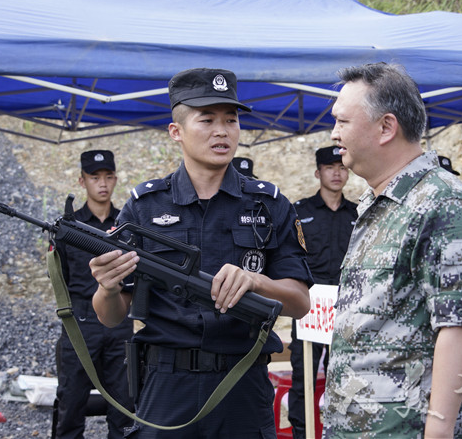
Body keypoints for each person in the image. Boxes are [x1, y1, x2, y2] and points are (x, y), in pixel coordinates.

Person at [88, 67, 312, 439]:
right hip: (166, 386)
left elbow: (300, 302)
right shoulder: (144, 207)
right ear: (176, 132)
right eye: (206, 119)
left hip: (242, 383)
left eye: (231, 119)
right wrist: (107, 288)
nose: (222, 131)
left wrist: (255, 282)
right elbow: (111, 317)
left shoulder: (268, 205)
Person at [324, 62, 462, 439]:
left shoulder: (442, 203)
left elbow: (459, 328)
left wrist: (439, 430)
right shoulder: (378, 202)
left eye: (343, 122)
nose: (334, 134)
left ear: (386, 127)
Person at [53, 150, 134, 439]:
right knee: (71, 403)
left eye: (108, 177)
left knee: (124, 407)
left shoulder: (127, 225)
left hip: (119, 321)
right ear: (82, 180)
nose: (102, 184)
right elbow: (58, 277)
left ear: (115, 179)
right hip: (80, 322)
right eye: (94, 177)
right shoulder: (69, 227)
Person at [288, 146, 357, 439]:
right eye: (330, 168)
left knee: (344, 375)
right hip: (310, 306)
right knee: (303, 373)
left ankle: (341, 432)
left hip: (348, 305)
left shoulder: (359, 212)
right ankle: (302, 433)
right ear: (318, 173)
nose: (337, 173)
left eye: (341, 167)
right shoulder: (299, 211)